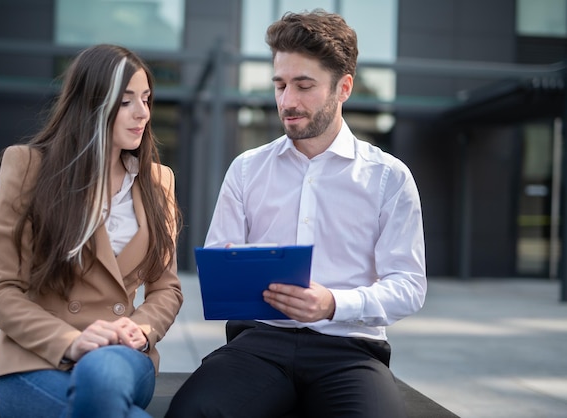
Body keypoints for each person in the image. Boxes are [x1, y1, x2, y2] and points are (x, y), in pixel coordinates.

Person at [166, 9, 426, 418]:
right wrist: (235, 266)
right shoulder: (247, 168)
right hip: (259, 343)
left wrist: (333, 304)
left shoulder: (388, 177)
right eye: (281, 85)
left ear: (344, 87)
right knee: (194, 414)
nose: (287, 101)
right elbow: (218, 259)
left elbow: (409, 286)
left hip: (350, 350)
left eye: (304, 86)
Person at [0, 44, 183, 418]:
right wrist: (71, 342)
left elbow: (165, 287)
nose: (143, 113)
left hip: (122, 358)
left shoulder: (158, 181)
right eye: (125, 102)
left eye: (146, 99)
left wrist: (141, 328)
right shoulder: (28, 168)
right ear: (90, 104)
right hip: (37, 360)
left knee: (101, 371)